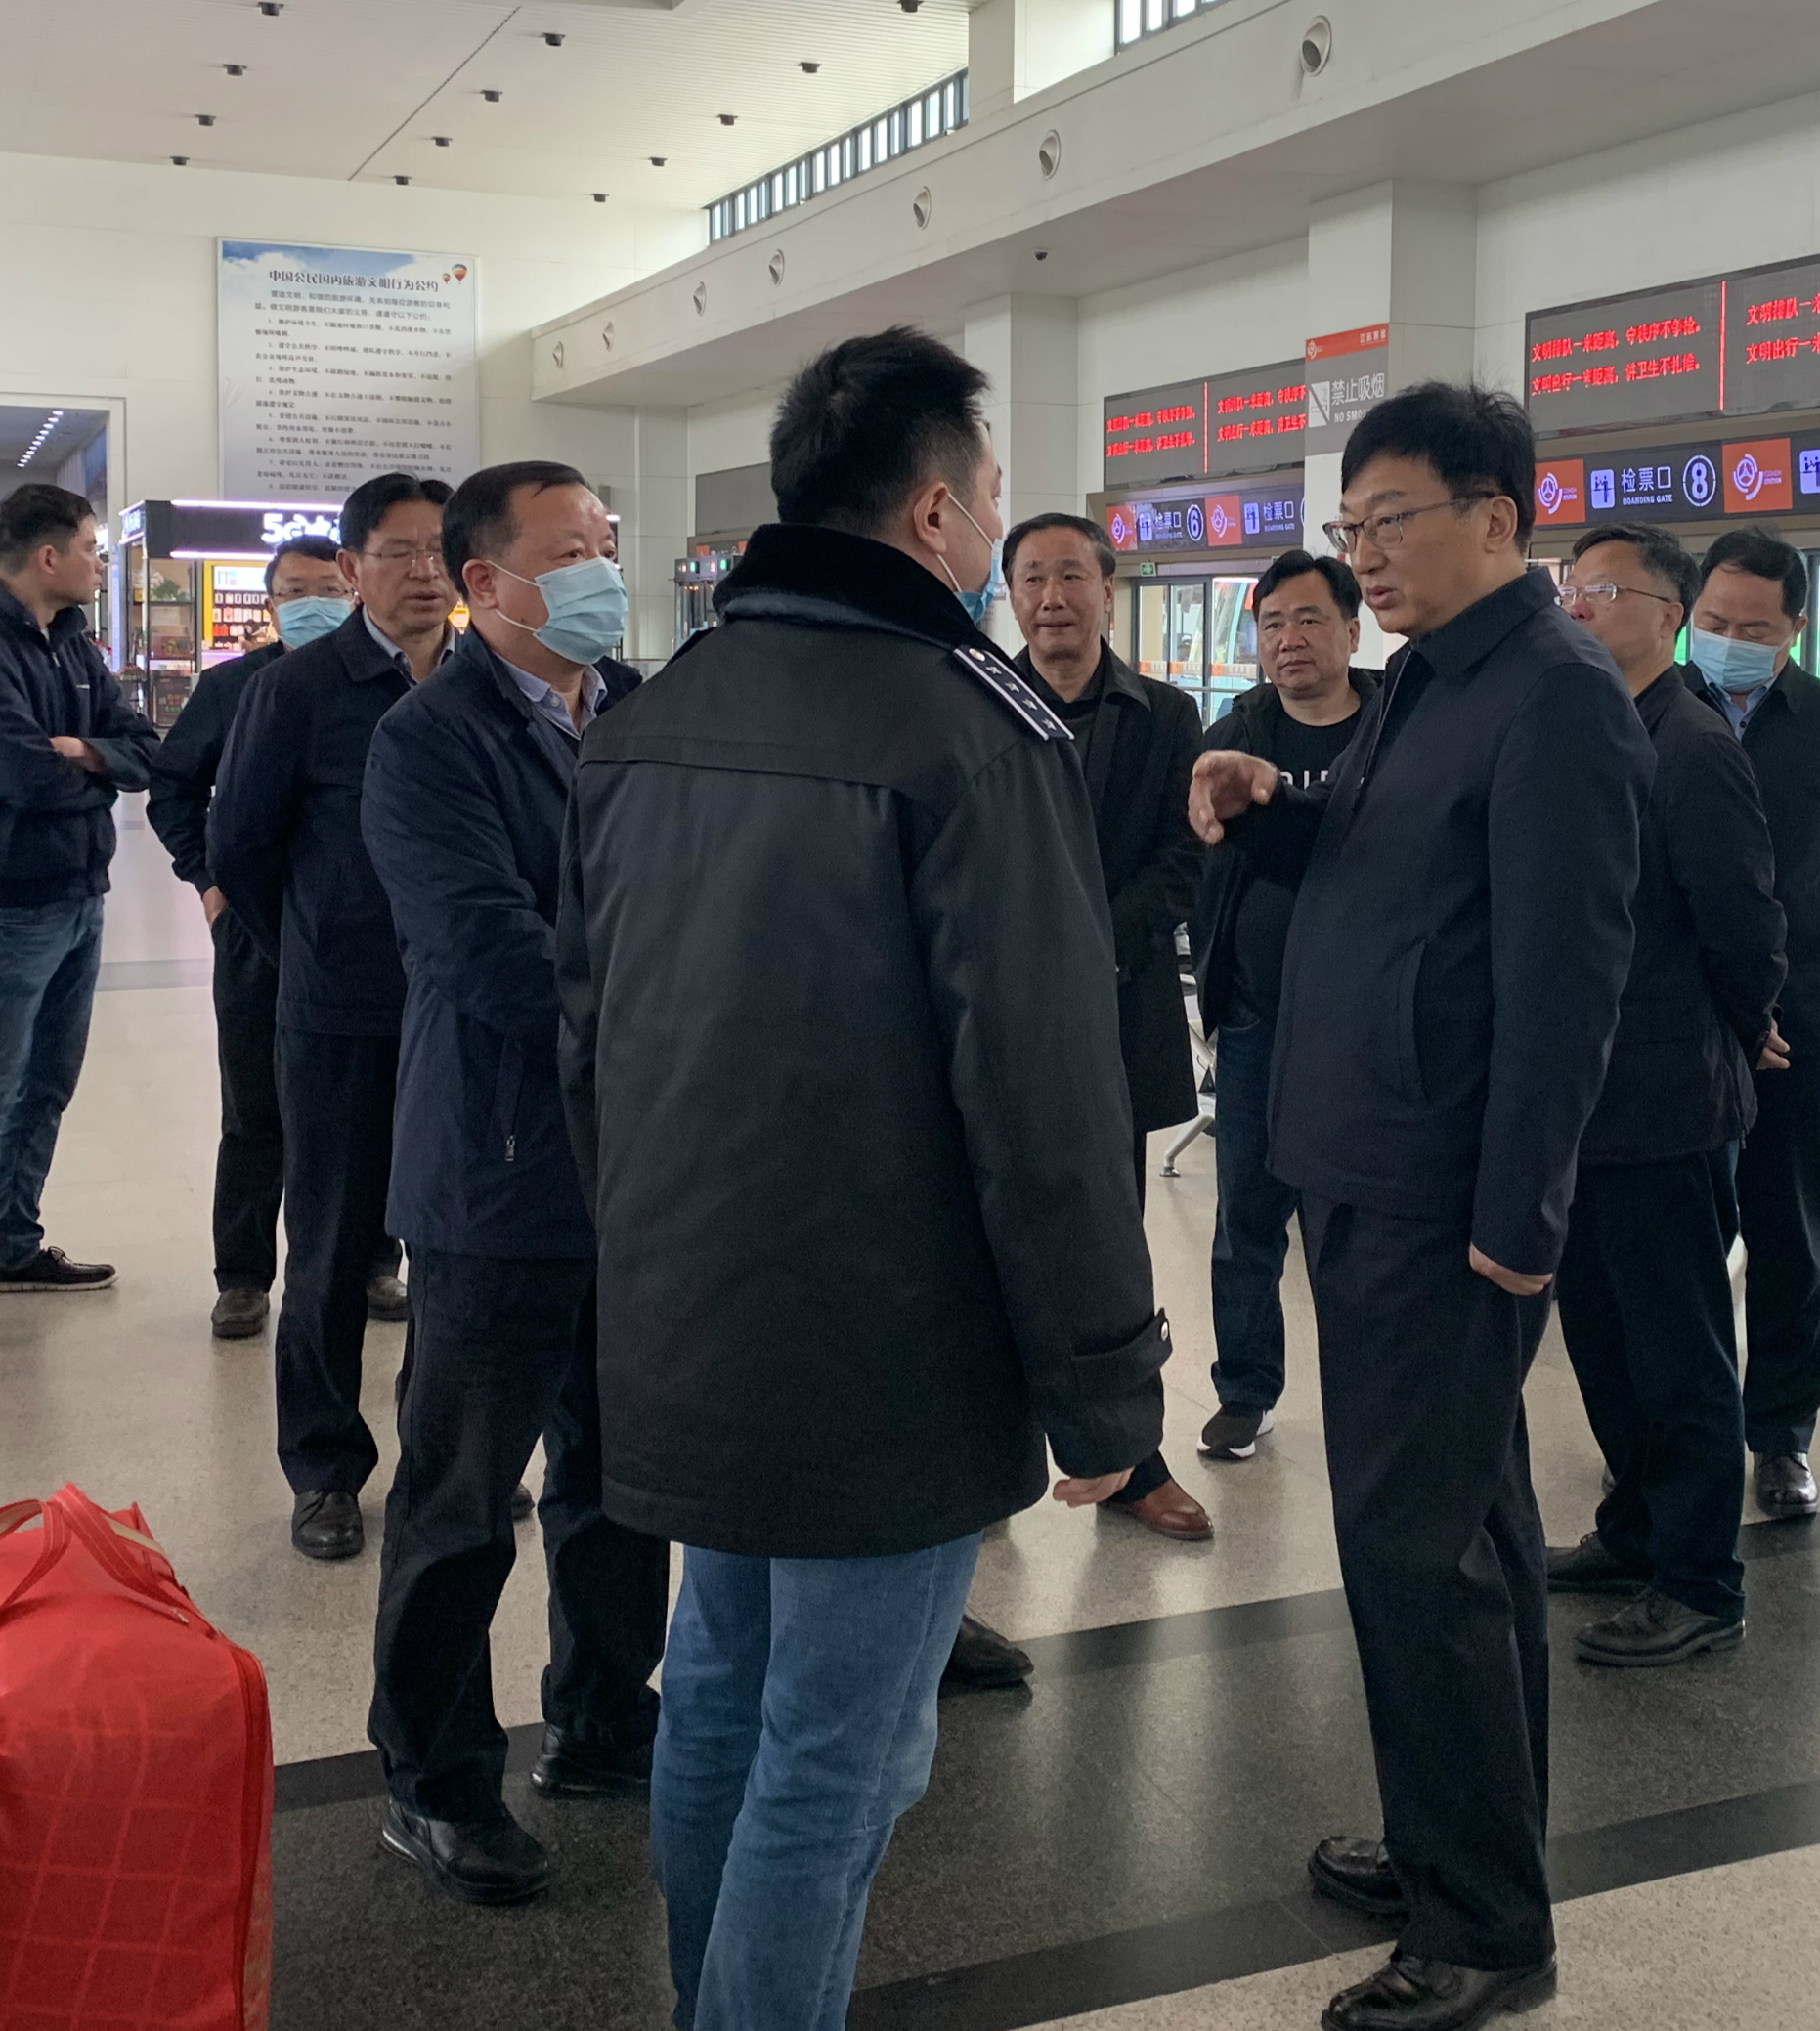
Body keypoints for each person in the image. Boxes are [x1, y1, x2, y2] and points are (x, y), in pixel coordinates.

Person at [560, 326, 1167, 2031]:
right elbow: (1046, 1102)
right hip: (890, 1347)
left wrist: (645, 1264)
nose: (996, 534)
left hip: (689, 1313)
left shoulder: (655, 712)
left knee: (717, 1694)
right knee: (839, 1755)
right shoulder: (971, 732)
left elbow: (583, 1039)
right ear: (931, 511)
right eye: (988, 497)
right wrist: (1104, 1387)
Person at [1190, 383, 1649, 2031]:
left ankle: (1485, 1925)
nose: (1364, 555)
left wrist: (1521, 1218)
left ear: (1497, 518)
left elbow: (1566, 983)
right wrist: (1273, 800)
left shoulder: (1554, 697)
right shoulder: (1433, 679)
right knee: (1466, 1535)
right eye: (1351, 525)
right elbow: (1393, 858)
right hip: (1362, 1159)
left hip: (1439, 1197)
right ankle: (1456, 1830)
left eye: (1391, 521)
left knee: (1417, 1549)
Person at [361, 461, 669, 1906]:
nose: (603, 568)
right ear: (485, 582)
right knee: (464, 1494)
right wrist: (679, 994)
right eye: (570, 551)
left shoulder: (641, 710)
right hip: (497, 1173)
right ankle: (433, 1778)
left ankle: (604, 1717)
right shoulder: (430, 739)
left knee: (619, 1476)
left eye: (607, 542)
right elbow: (487, 951)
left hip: (639, 1166)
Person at [1542, 524, 1788, 1665]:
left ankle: (1700, 1578)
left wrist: (1743, 1027)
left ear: (1666, 612)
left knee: (1677, 1346)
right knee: (1603, 1334)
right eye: (1572, 588)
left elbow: (1746, 920)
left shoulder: (1692, 742)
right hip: (1589, 1098)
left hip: (1666, 1099)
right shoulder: (1602, 725)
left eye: (1602, 590)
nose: (1579, 607)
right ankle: (1634, 1528)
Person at [213, 472, 455, 1563]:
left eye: (440, 550)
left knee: (456, 1249)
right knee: (331, 1247)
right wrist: (315, 950)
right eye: (399, 551)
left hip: (463, 1015)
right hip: (339, 1018)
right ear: (353, 568)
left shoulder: (483, 681)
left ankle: (449, 1455)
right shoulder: (300, 689)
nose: (424, 571)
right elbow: (241, 848)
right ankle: (324, 1469)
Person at [1002, 511, 1212, 1545]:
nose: (1052, 597)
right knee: (978, 1245)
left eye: (1071, 575)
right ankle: (989, 1463)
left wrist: (1083, 942)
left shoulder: (1167, 714)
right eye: (1032, 578)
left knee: (1110, 1248)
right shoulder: (974, 700)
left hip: (1115, 1013)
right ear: (1011, 596)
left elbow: (1184, 857)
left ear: (1107, 591)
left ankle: (1134, 1458)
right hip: (993, 1013)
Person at [150, 537, 405, 1340]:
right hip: (257, 932)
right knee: (256, 1106)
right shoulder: (236, 688)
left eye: (326, 589)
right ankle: (242, 1276)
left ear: (353, 589)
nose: (311, 604)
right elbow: (173, 787)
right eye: (293, 592)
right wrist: (208, 882)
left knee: (372, 1102)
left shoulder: (383, 683)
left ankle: (375, 1260)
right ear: (269, 605)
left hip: (354, 932)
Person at [1686, 528, 1820, 1520]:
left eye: (1754, 629)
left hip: (1794, 1018)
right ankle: (1674, 1433)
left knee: (1786, 1226)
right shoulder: (1651, 710)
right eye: (1713, 621)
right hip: (1681, 1015)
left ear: (1795, 629)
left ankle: (1782, 1437)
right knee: (1681, 1235)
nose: (1728, 640)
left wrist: (1772, 986)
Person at [0, 482, 160, 1304]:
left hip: (80, 895)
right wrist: (102, 774)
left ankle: (15, 1245)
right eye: (92, 548)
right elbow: (22, 777)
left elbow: (144, 747)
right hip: (5, 907)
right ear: (49, 557)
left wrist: (88, 754)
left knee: (46, 1086)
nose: (100, 563)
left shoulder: (73, 646)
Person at [1188, 549, 1377, 1461]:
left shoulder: (1393, 728)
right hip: (1259, 1017)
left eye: (1309, 619)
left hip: (1369, 1025)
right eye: (1271, 624)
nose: (1289, 639)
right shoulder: (1234, 733)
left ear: (1351, 629)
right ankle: (1245, 1388)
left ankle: (1366, 1395)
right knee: (1247, 1212)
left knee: (1358, 1224)